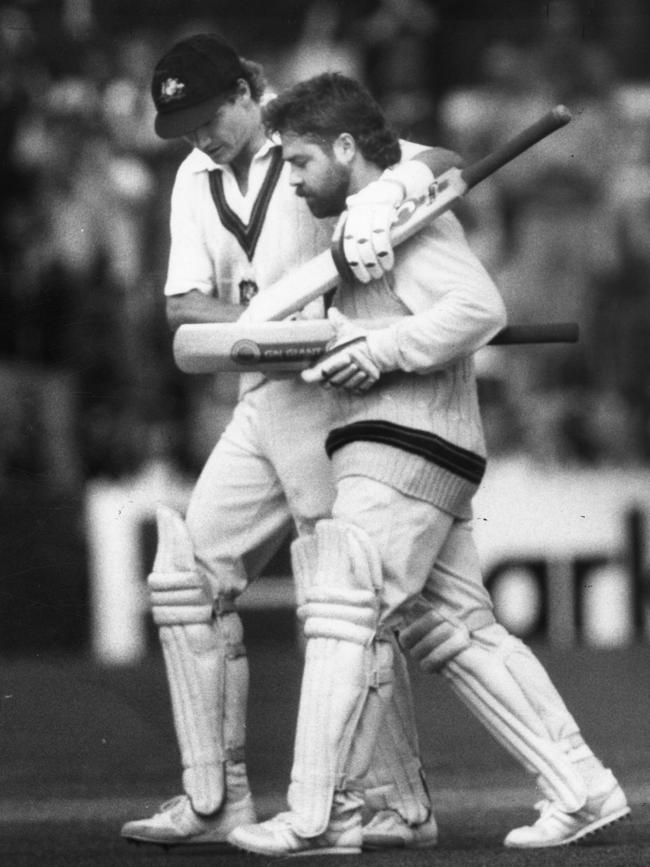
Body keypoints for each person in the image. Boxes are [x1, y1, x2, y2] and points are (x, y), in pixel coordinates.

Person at [227, 72, 630, 856]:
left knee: (343, 605)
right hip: (412, 441)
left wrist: (376, 350)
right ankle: (582, 788)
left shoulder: (402, 218)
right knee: (453, 629)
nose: (297, 178)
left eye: (305, 160)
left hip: (403, 441)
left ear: (347, 147)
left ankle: (319, 815)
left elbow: (481, 310)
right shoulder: (364, 216)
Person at [120, 33, 461, 851]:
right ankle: (217, 797)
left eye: (209, 114)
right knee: (189, 578)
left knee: (343, 592)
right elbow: (183, 306)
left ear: (245, 90)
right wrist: (269, 314)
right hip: (259, 394)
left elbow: (439, 158)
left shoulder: (308, 136)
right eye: (185, 124)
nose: (201, 135)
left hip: (332, 393)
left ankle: (396, 801)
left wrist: (388, 196)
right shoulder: (195, 178)